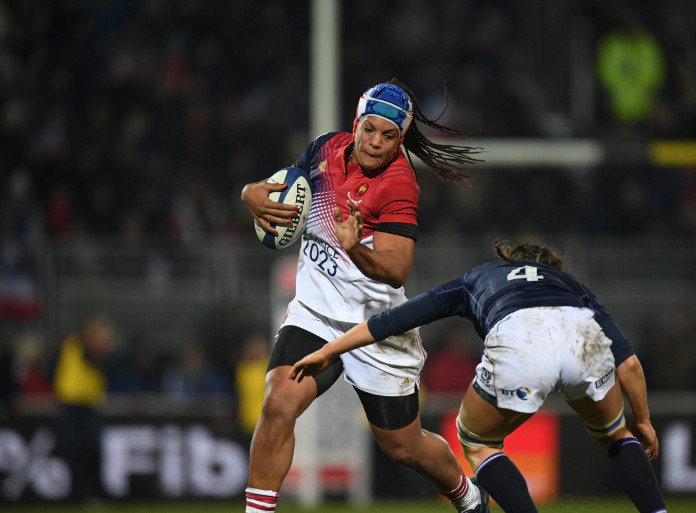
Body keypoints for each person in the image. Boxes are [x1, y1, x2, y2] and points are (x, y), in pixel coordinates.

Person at [240, 78, 486, 513]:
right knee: (278, 402)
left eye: (390, 135)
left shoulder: (399, 184)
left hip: (375, 327)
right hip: (314, 314)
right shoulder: (322, 149)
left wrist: (354, 249)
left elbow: (396, 270)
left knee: (403, 446)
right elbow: (285, 189)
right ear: (356, 122)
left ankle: (467, 496)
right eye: (370, 129)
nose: (376, 142)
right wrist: (251, 194)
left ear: (401, 138)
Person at [291, 237, 668, 513]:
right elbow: (630, 364)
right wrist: (644, 420)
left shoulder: (479, 278)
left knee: (476, 439)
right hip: (579, 331)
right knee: (615, 432)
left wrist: (328, 349)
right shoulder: (574, 287)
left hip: (521, 336)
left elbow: (393, 320)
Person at [52, 314, 115, 502]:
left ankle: (95, 491)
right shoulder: (74, 346)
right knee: (75, 450)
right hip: (72, 405)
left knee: (93, 451)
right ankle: (76, 493)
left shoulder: (98, 354)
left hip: (90, 406)